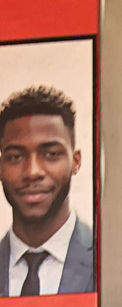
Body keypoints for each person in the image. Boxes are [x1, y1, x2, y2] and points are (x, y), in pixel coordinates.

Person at [0, 86, 94, 295]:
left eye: (51, 154)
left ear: (75, 162)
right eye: (16, 156)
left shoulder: (108, 262)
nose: (32, 172)